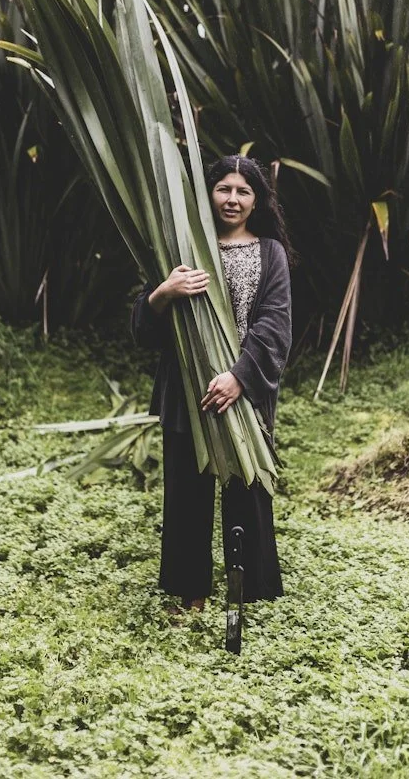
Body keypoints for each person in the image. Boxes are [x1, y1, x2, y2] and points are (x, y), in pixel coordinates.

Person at [131, 154, 294, 610]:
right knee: (186, 495)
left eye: (243, 191)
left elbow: (275, 323)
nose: (233, 199)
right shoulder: (181, 251)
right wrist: (163, 293)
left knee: (248, 486)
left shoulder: (270, 253)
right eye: (224, 188)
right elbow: (142, 327)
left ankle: (250, 593)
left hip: (243, 393)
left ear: (257, 200)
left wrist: (240, 377)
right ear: (209, 194)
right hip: (188, 390)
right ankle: (190, 594)